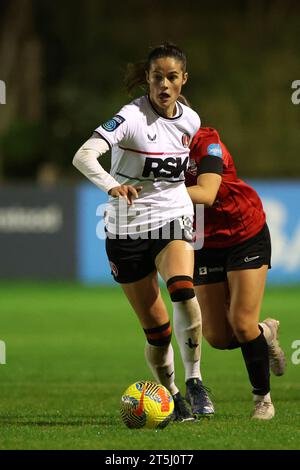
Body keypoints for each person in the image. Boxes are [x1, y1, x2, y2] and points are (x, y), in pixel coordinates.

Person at [73, 43, 214, 421]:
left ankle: (195, 381)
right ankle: (170, 395)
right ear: (148, 80)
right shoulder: (130, 117)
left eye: (171, 77)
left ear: (184, 79)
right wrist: (111, 186)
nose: (164, 85)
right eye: (157, 77)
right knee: (157, 331)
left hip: (173, 217)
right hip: (126, 229)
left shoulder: (191, 120)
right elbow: (84, 154)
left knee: (183, 290)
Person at [185, 125, 286, 420]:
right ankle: (265, 333)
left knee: (242, 324)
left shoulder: (206, 141)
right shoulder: (158, 151)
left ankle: (262, 400)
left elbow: (207, 193)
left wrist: (158, 192)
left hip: (244, 233)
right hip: (205, 242)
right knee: (217, 336)